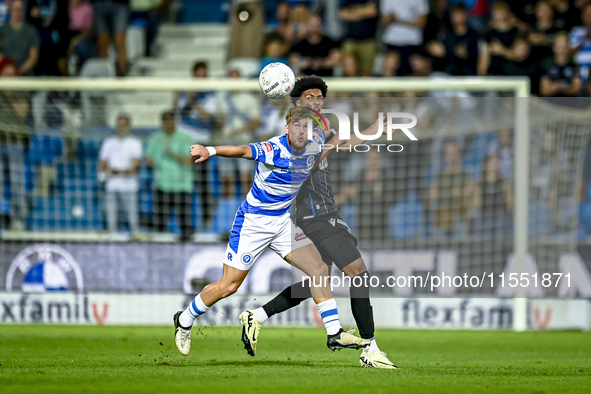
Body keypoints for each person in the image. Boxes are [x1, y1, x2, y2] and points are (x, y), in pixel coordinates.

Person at [173, 107, 370, 357]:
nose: (301, 131)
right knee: (228, 286)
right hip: (253, 224)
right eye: (296, 126)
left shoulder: (314, 144)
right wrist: (209, 150)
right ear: (287, 129)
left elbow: (337, 145)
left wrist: (370, 131)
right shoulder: (273, 149)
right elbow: (242, 150)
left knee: (319, 269)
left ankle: (334, 334)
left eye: (306, 127)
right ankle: (185, 319)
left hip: (281, 223)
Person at [238, 76, 398, 369]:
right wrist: (334, 142)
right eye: (309, 97)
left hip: (324, 215)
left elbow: (344, 143)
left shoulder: (321, 130)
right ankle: (371, 348)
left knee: (317, 280)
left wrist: (372, 131)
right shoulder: (298, 135)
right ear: (297, 103)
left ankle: (257, 315)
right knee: (358, 272)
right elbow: (312, 158)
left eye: (320, 97)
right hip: (316, 218)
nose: (316, 101)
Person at [174, 60, 215, 226]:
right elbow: (177, 113)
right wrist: (177, 97)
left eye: (203, 76)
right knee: (183, 182)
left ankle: (206, 218)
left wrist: (194, 101)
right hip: (184, 142)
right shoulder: (184, 91)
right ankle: (184, 223)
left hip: (201, 143)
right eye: (198, 75)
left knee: (201, 182)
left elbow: (208, 118)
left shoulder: (211, 94)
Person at [146, 111, 194, 242]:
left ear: (175, 122)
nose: (168, 124)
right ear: (162, 123)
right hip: (162, 185)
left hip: (182, 185)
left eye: (170, 121)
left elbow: (189, 160)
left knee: (184, 220)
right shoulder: (155, 139)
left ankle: (186, 245)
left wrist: (172, 154)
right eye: (165, 121)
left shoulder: (185, 138)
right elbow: (149, 160)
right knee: (160, 221)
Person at [215, 69, 260, 198]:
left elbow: (256, 121)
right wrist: (220, 120)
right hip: (226, 140)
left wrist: (240, 130)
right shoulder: (223, 98)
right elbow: (219, 120)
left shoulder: (249, 98)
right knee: (226, 176)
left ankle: (248, 204)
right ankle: (228, 204)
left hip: (243, 140)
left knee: (245, 175)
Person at [99, 114, 143, 237]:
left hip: (129, 186)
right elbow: (102, 163)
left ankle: (135, 235)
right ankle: (112, 236)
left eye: (124, 125)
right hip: (112, 185)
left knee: (132, 216)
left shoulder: (135, 143)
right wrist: (107, 173)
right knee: (111, 216)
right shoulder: (108, 142)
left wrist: (115, 172)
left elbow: (134, 167)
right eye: (119, 124)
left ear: (129, 126)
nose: (121, 127)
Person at [427, 142, 477, 235]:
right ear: (445, 156)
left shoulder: (465, 175)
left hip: (459, 215)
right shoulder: (439, 176)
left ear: (458, 155)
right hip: (443, 216)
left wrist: (461, 194)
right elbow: (432, 196)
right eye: (449, 154)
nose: (451, 157)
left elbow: (470, 194)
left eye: (454, 153)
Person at [426, 3, 479, 76]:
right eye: (454, 14)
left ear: (466, 15)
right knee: (434, 77)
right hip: (448, 73)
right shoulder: (445, 34)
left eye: (459, 14)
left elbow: (478, 57)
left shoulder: (473, 35)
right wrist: (436, 51)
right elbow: (440, 53)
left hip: (468, 74)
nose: (457, 17)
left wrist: (466, 55)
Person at [380, 0, 428, 76]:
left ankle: (411, 88)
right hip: (392, 40)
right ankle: (388, 87)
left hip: (413, 41)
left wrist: (398, 20)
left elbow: (422, 22)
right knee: (389, 64)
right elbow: (384, 21)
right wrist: (411, 21)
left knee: (417, 66)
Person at [339, 0, 379, 77]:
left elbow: (372, 11)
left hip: (368, 40)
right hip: (350, 40)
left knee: (367, 72)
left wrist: (352, 11)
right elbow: (342, 14)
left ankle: (366, 89)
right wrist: (364, 11)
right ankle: (349, 88)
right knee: (348, 70)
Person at [478, 1, 518, 76]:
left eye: (500, 12)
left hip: (513, 74)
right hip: (493, 75)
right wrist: (481, 80)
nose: (498, 15)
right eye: (495, 12)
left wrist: (501, 50)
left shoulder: (516, 33)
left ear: (507, 13)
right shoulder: (488, 33)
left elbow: (520, 55)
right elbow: (484, 57)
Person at [0, 0, 40, 75]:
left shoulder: (31, 31)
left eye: (20, 10)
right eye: (15, 9)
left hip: (25, 75)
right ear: (10, 9)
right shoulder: (2, 30)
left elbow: (33, 57)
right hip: (5, 73)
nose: (17, 13)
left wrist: (18, 72)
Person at [93, 0, 129, 76]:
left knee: (120, 42)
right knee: (103, 43)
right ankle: (104, 76)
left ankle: (123, 76)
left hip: (119, 4)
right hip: (100, 4)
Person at [540, 33, 582, 97]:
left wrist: (561, 88)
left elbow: (576, 89)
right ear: (554, 48)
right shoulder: (547, 64)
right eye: (559, 47)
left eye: (563, 47)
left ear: (568, 48)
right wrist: (557, 87)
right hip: (550, 102)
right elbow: (544, 90)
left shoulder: (574, 65)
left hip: (569, 101)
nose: (561, 50)